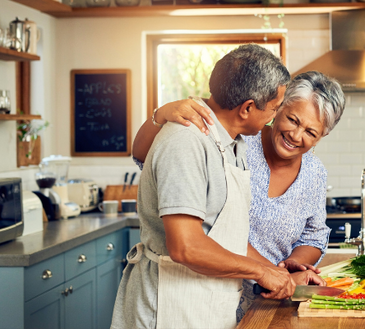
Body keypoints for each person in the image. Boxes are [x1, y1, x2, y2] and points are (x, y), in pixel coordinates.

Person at [111, 44, 304, 329]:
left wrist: (277, 273)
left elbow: (224, 236)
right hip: (168, 307)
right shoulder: (186, 141)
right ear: (248, 107)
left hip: (204, 302)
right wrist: (259, 273)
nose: (274, 119)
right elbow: (186, 247)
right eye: (274, 109)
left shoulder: (232, 142)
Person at [132, 70, 346, 321]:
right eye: (293, 120)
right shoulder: (238, 140)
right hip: (205, 288)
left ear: (322, 136)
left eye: (311, 132)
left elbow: (314, 234)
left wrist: (286, 269)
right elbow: (146, 155)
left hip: (272, 294)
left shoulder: (315, 173)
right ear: (278, 108)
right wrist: (161, 115)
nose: (296, 136)